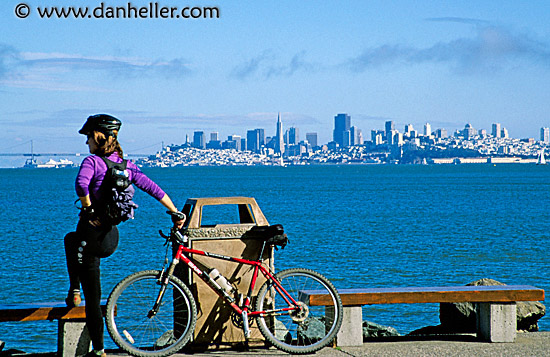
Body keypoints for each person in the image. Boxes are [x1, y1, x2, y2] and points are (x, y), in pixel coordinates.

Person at [64, 114, 184, 357]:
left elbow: (80, 185)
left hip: (90, 236)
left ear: (99, 137)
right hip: (110, 237)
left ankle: (97, 348)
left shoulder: (92, 162)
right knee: (73, 243)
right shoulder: (127, 166)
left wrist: (88, 210)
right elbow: (153, 188)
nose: (86, 142)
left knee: (88, 286)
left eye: (88, 137)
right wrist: (174, 212)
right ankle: (74, 292)